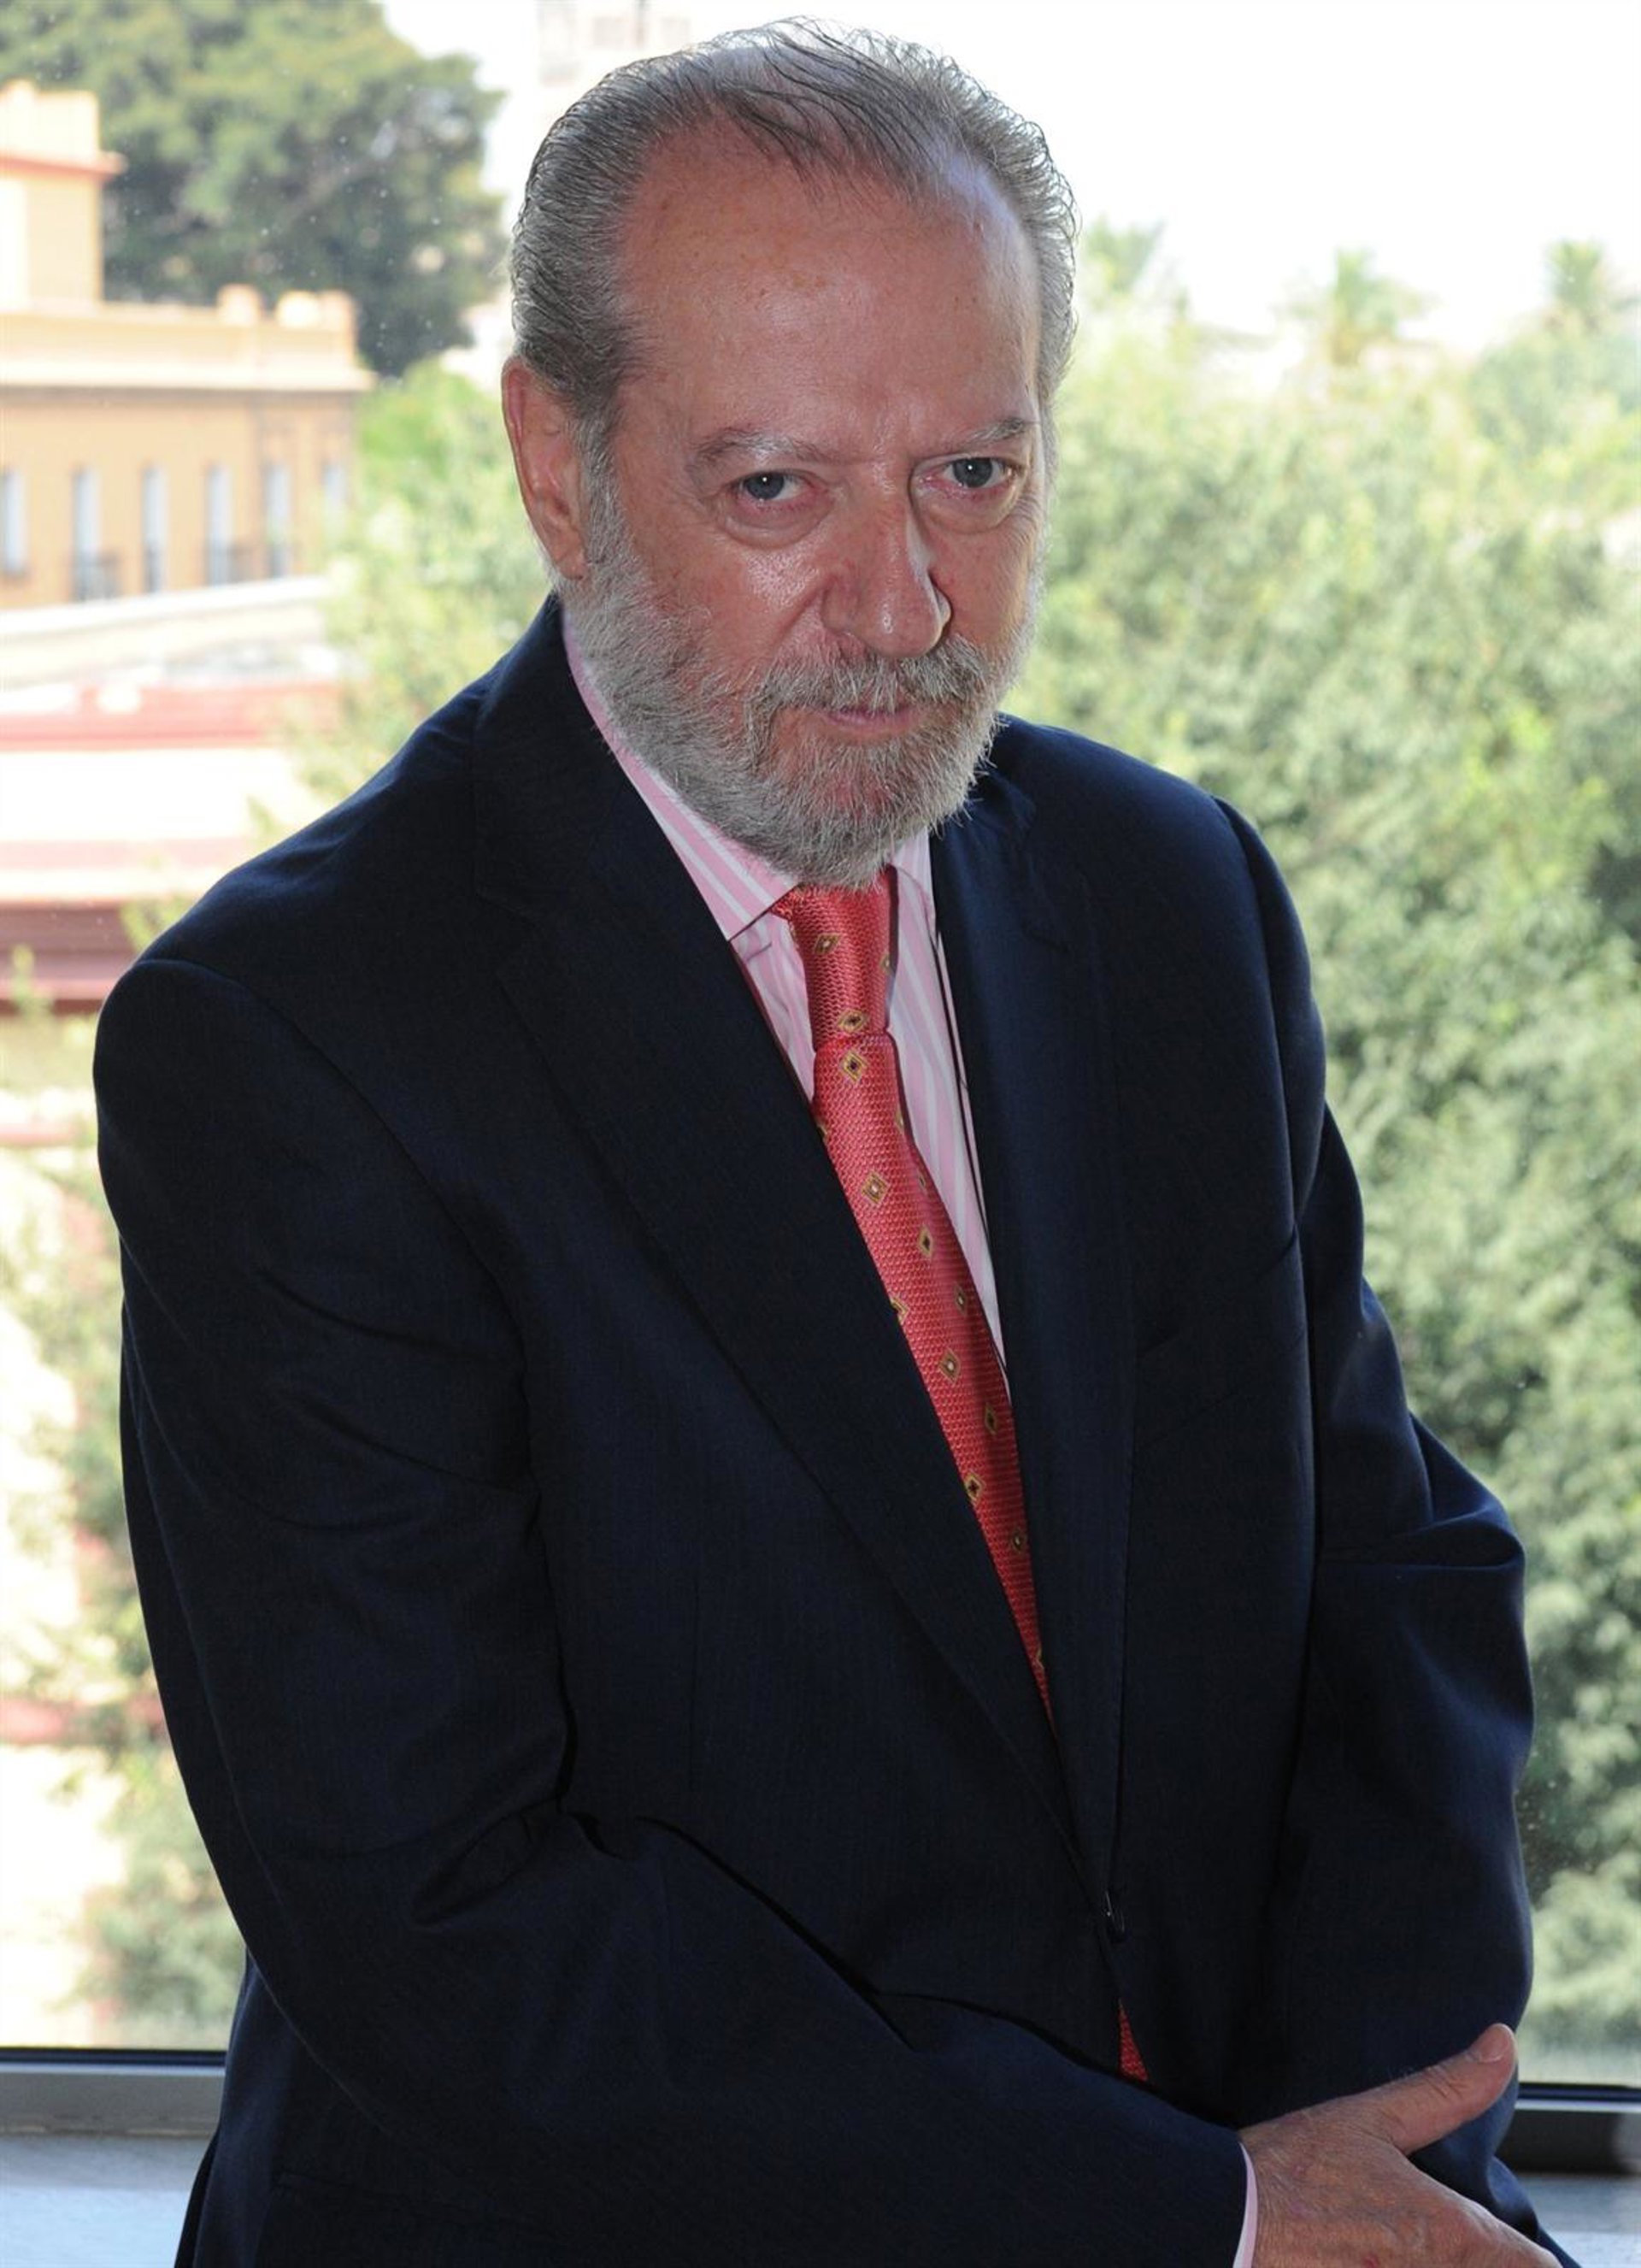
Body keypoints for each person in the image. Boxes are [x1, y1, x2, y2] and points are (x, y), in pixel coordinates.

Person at [95, 22, 1570, 2267]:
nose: (908, 609)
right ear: (559, 465)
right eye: (778, 489)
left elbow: (1389, 1575)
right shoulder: (294, 1041)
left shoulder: (1167, 898)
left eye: (975, 472)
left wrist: (1383, 2159)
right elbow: (443, 1922)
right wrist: (1200, 2220)